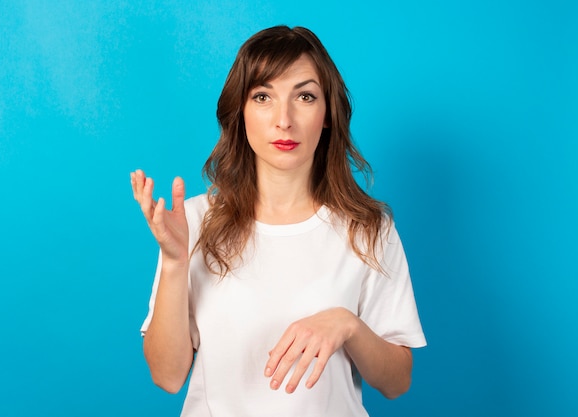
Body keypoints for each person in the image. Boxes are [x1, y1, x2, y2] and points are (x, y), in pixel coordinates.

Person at [131, 25, 426, 416]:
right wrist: (174, 262)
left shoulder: (367, 228)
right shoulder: (195, 221)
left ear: (326, 114)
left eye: (304, 96)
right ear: (241, 111)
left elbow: (397, 381)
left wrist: (347, 325)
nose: (283, 119)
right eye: (263, 97)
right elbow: (167, 377)